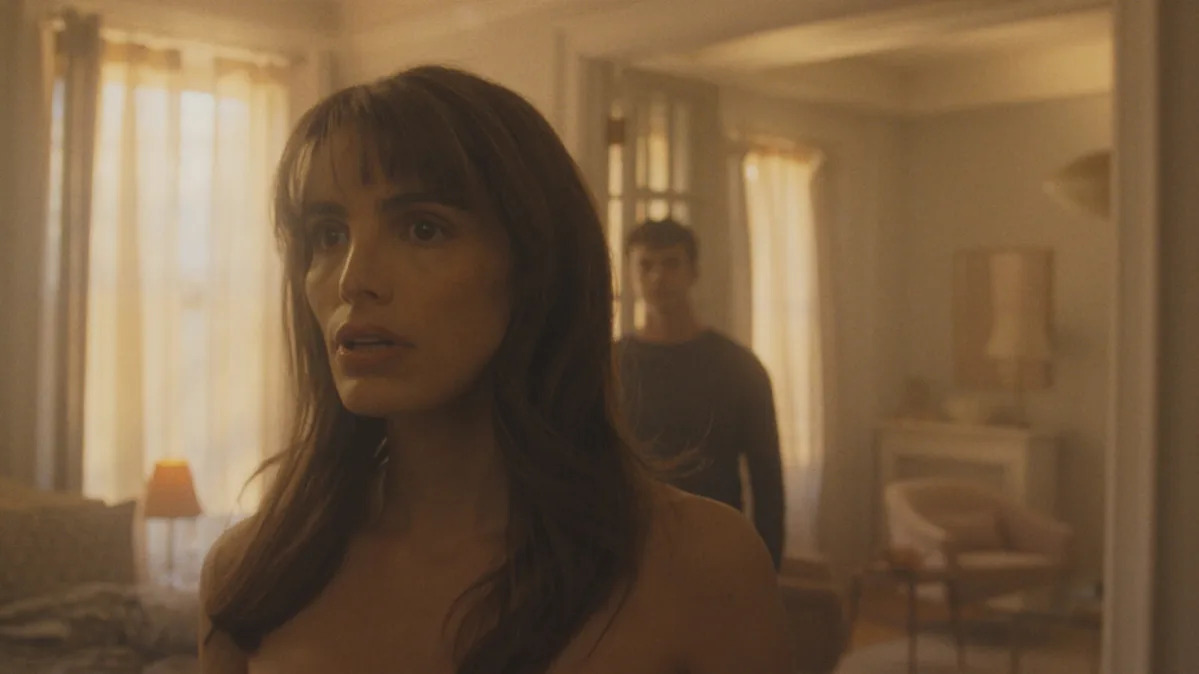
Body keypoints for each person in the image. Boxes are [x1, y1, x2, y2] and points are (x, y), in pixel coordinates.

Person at [197, 66, 792, 674]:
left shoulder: (699, 565)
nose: (354, 280)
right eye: (327, 235)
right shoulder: (252, 573)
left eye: (422, 229)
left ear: (535, 266)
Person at [617, 219, 786, 569]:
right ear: (630, 273)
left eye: (671, 263)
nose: (658, 277)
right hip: (629, 546)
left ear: (693, 271)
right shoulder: (611, 365)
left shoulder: (738, 367)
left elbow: (768, 481)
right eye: (645, 265)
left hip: (715, 546)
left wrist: (766, 569)